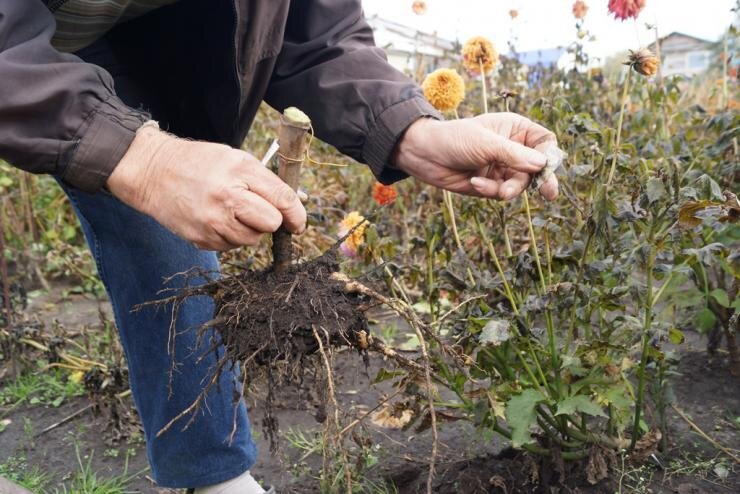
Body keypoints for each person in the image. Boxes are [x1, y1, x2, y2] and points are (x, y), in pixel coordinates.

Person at [0, 1, 561, 492]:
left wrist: (416, 132)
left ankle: (213, 476)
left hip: (146, 49)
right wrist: (145, 161)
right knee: (145, 175)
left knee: (165, 229)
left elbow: (318, 35)